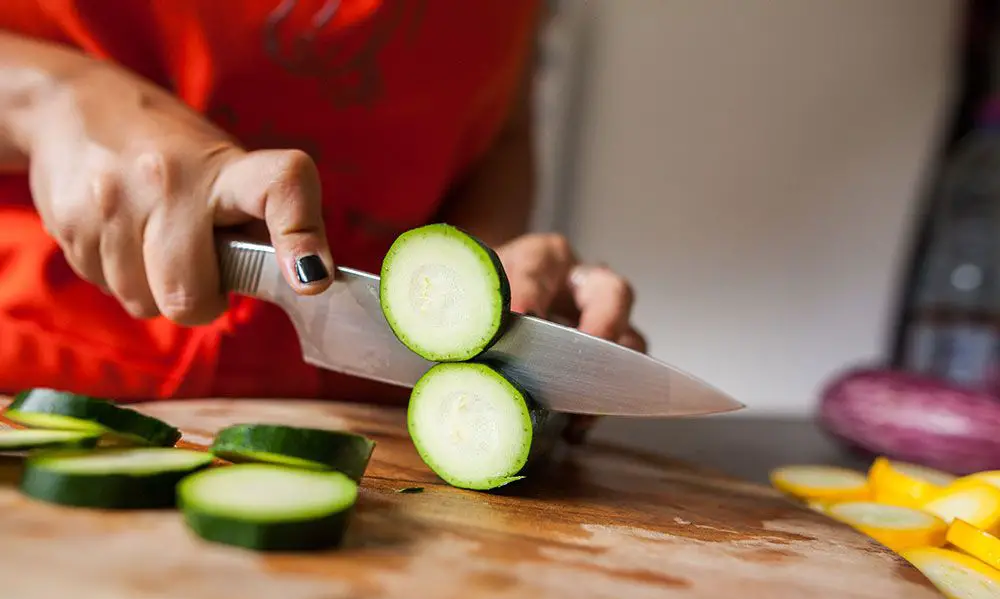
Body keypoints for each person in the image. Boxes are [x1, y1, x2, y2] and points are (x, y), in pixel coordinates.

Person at [0, 0, 643, 440]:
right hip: (41, 369)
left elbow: (499, 128)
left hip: (376, 424)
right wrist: (48, 99)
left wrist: (487, 276)